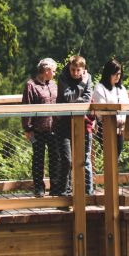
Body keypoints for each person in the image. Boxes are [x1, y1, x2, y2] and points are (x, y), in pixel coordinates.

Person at [22, 58, 60, 197]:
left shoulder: (54, 84)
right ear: (46, 71)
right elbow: (27, 108)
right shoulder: (31, 85)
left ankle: (55, 187)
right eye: (53, 71)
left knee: (55, 158)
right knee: (38, 159)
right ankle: (39, 188)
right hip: (37, 130)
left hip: (54, 128)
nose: (55, 73)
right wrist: (27, 128)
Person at [56, 55, 94, 195]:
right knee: (67, 160)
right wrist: (82, 85)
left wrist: (76, 98)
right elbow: (68, 97)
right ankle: (63, 192)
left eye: (78, 70)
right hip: (63, 123)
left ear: (83, 70)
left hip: (81, 124)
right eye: (73, 69)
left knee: (83, 160)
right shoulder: (63, 77)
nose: (75, 73)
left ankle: (84, 192)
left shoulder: (88, 77)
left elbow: (87, 99)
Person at [92, 58, 129, 173]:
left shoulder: (121, 88)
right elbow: (102, 109)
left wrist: (122, 123)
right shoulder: (99, 88)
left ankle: (113, 180)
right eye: (115, 74)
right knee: (110, 155)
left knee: (116, 155)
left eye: (119, 74)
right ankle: (110, 182)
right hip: (105, 127)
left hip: (120, 128)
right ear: (108, 73)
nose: (117, 76)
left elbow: (126, 106)